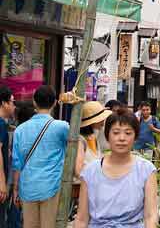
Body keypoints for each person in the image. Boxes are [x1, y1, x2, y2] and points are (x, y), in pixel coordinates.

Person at [76, 108, 158, 228]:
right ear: (107, 136)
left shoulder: (146, 170)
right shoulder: (90, 171)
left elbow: (150, 216)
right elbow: (81, 219)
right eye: (116, 132)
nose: (121, 138)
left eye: (128, 133)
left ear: (135, 137)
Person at [11, 85, 69, 228]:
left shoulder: (20, 130)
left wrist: (15, 189)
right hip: (52, 186)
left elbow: (17, 164)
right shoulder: (62, 127)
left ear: (34, 102)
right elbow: (76, 146)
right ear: (55, 103)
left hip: (28, 187)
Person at [75, 101, 112, 176]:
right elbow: (78, 170)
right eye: (100, 119)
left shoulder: (93, 137)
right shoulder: (80, 140)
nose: (103, 121)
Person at [0, 86, 13, 226]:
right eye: (12, 101)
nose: (13, 105)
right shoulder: (0, 124)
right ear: (4, 103)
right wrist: (2, 183)